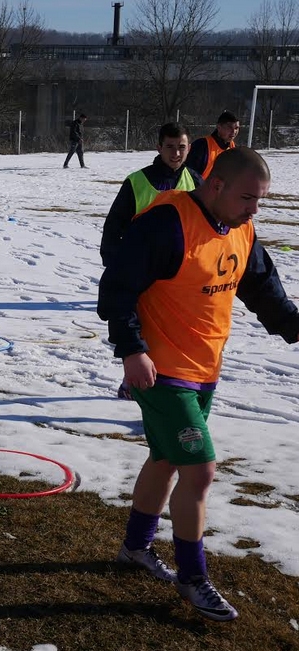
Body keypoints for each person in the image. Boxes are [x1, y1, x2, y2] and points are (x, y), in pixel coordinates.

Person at [97, 147, 299, 621]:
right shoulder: (166, 223)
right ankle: (193, 577)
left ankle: (135, 549)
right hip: (160, 370)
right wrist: (131, 349)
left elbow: (264, 291)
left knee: (167, 458)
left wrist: (296, 326)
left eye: (261, 200)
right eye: (249, 198)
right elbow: (117, 287)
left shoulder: (241, 230)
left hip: (203, 370)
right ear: (217, 185)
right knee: (201, 469)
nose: (255, 209)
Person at [100, 123, 203, 267]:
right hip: (141, 266)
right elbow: (114, 226)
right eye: (169, 147)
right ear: (159, 148)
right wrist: (112, 263)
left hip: (181, 268)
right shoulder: (136, 181)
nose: (176, 154)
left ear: (189, 148)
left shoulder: (196, 182)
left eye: (181, 147)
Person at [185, 111, 239, 180]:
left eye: (236, 128)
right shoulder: (202, 146)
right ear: (219, 127)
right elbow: (188, 175)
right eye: (230, 127)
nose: (234, 132)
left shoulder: (235, 150)